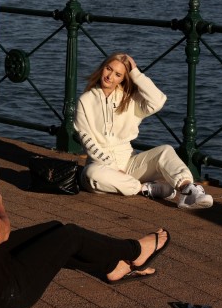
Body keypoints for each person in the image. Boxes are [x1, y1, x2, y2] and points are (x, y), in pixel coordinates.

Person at [0, 133, 170, 308]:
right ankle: (134, 250)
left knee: (54, 229)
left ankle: (112, 267)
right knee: (69, 236)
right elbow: (2, 234)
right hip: (2, 293)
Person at [74, 52, 213, 209]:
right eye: (108, 69)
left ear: (123, 79)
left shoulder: (129, 99)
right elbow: (86, 139)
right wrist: (114, 169)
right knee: (90, 174)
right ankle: (145, 189)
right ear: (102, 68)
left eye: (118, 74)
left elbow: (158, 100)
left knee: (165, 151)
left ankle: (188, 190)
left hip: (129, 163)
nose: (110, 76)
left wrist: (136, 73)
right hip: (101, 167)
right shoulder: (85, 100)